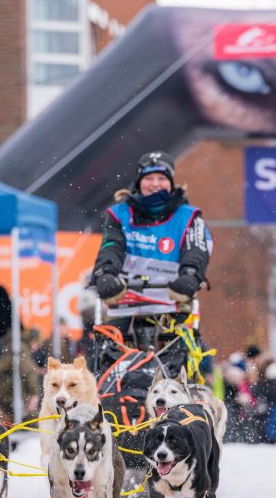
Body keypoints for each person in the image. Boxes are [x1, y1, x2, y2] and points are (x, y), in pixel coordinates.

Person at [89, 151, 212, 353]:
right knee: (107, 352)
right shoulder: (119, 215)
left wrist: (190, 275)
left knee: (178, 355)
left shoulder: (188, 216)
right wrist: (105, 274)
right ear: (139, 183)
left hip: (172, 301)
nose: (155, 184)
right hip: (125, 301)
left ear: (171, 183)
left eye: (161, 178)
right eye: (149, 178)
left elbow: (196, 250)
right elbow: (111, 248)